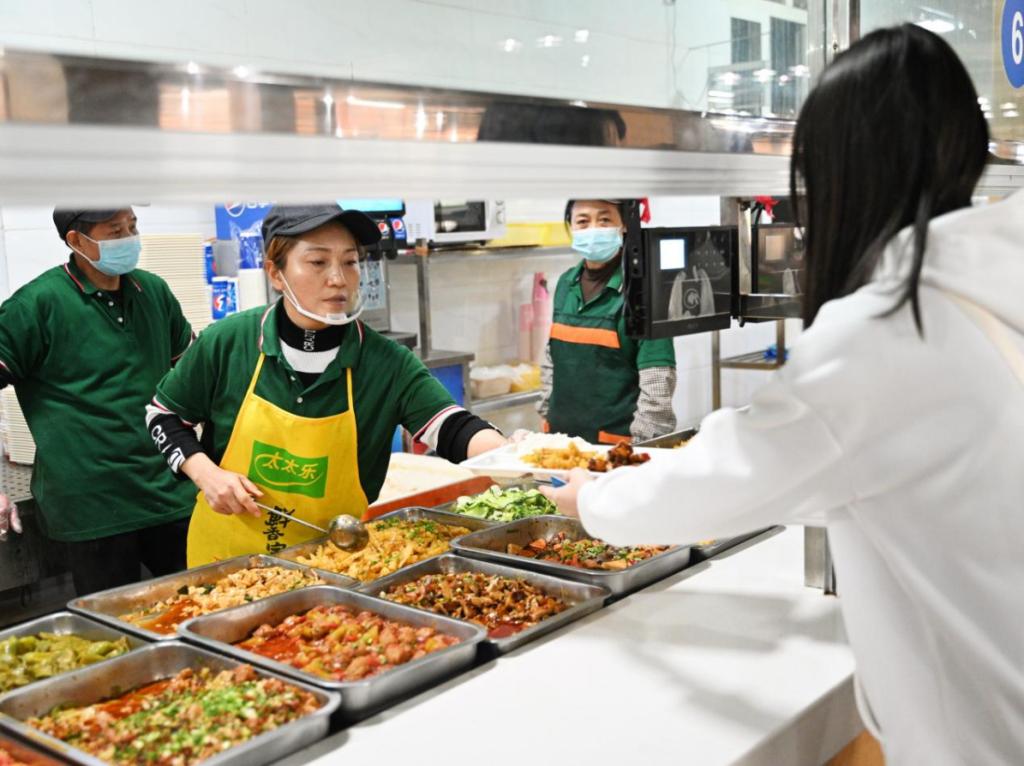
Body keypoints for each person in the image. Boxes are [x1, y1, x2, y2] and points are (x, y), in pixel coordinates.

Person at [542, 25, 1023, 765]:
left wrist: (594, 501)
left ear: (841, 173)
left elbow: (734, 476)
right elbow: (856, 465)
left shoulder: (888, 332)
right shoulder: (987, 284)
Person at [147, 204, 507, 567]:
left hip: (334, 565)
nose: (338, 278)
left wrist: (515, 455)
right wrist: (206, 474)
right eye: (318, 262)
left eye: (350, 262)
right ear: (275, 273)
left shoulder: (386, 363)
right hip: (224, 566)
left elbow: (451, 427)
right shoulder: (228, 342)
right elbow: (163, 415)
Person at [0, 208, 196, 594]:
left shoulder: (154, 292)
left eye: (132, 227)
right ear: (76, 241)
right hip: (93, 507)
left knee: (205, 608)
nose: (129, 238)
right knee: (112, 621)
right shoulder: (36, 305)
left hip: (170, 494)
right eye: (115, 231)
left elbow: (195, 378)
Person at [538, 199, 677, 444]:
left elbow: (657, 381)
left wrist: (642, 449)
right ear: (571, 227)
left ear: (624, 226)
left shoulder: (644, 290)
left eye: (604, 220)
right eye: (583, 221)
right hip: (559, 444)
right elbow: (552, 359)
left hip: (616, 448)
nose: (593, 229)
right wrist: (545, 414)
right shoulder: (565, 284)